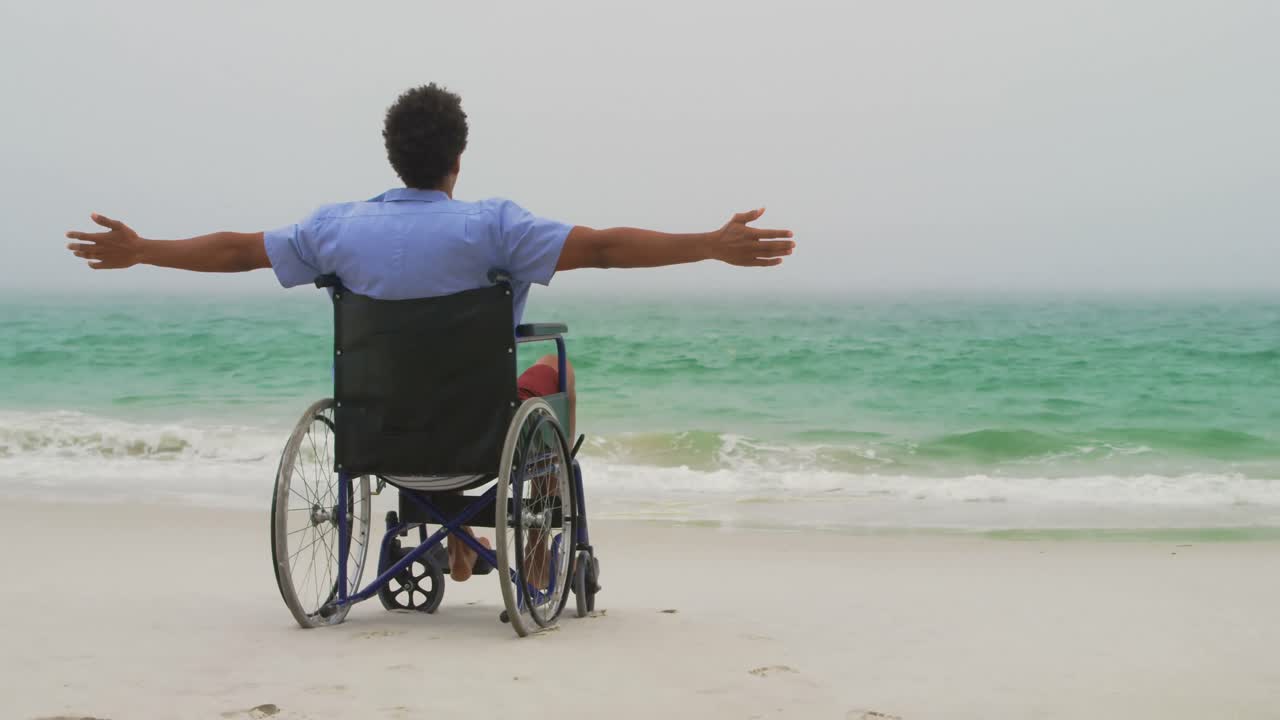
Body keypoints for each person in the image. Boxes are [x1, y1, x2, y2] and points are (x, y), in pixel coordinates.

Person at [63, 83, 796, 582]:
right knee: (555, 375)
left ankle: (448, 532)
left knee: (415, 386)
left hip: (380, 431)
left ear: (394, 156)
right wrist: (708, 242)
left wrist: (143, 250)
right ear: (457, 159)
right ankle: (533, 549)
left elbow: (234, 252)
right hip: (479, 430)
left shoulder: (335, 228)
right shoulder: (495, 226)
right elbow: (603, 246)